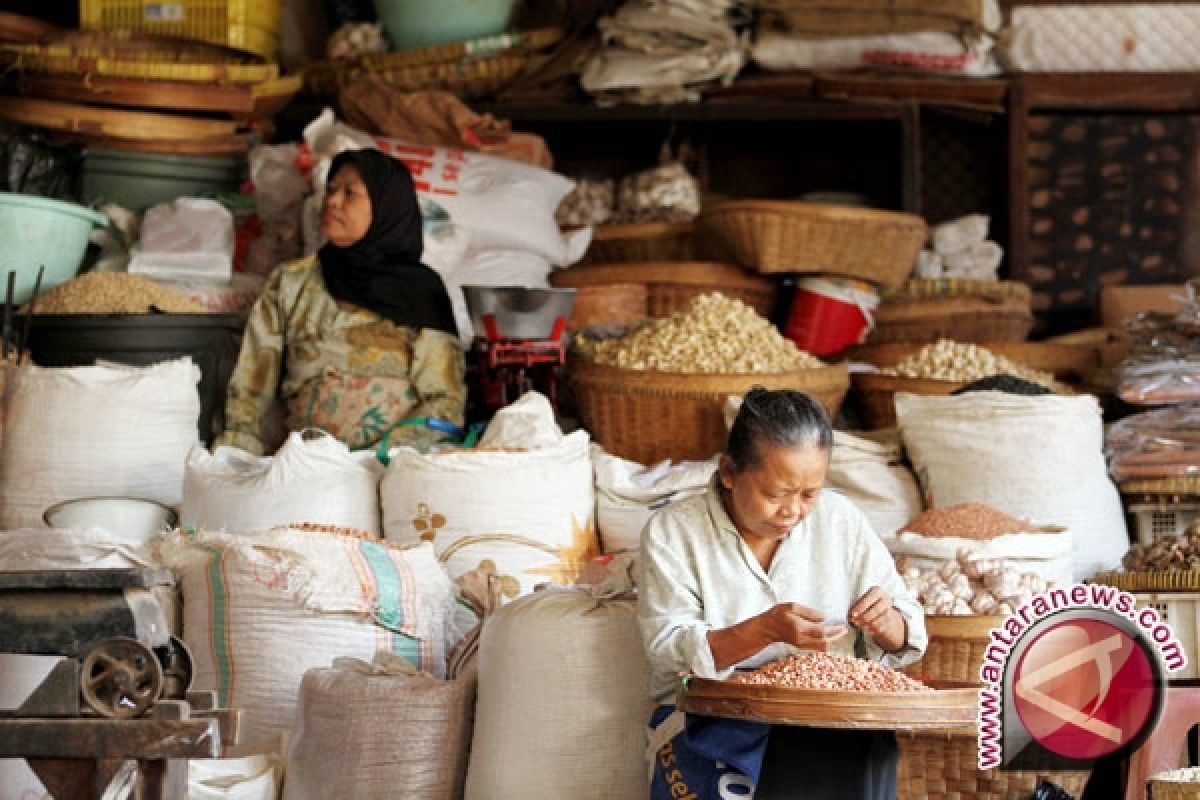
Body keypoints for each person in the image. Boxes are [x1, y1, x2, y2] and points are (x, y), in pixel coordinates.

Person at [639, 388, 927, 800]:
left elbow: (907, 630)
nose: (794, 510)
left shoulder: (840, 521)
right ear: (728, 472)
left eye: (810, 494)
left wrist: (889, 624)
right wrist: (764, 630)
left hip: (832, 727)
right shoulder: (675, 533)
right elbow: (666, 648)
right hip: (715, 724)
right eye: (776, 494)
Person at [216, 148, 466, 455]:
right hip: (307, 464)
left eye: (350, 193)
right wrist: (239, 450)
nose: (332, 201)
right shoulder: (291, 281)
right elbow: (252, 382)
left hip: (393, 464)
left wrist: (384, 458)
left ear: (387, 207)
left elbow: (444, 399)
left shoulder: (421, 292)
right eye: (331, 190)